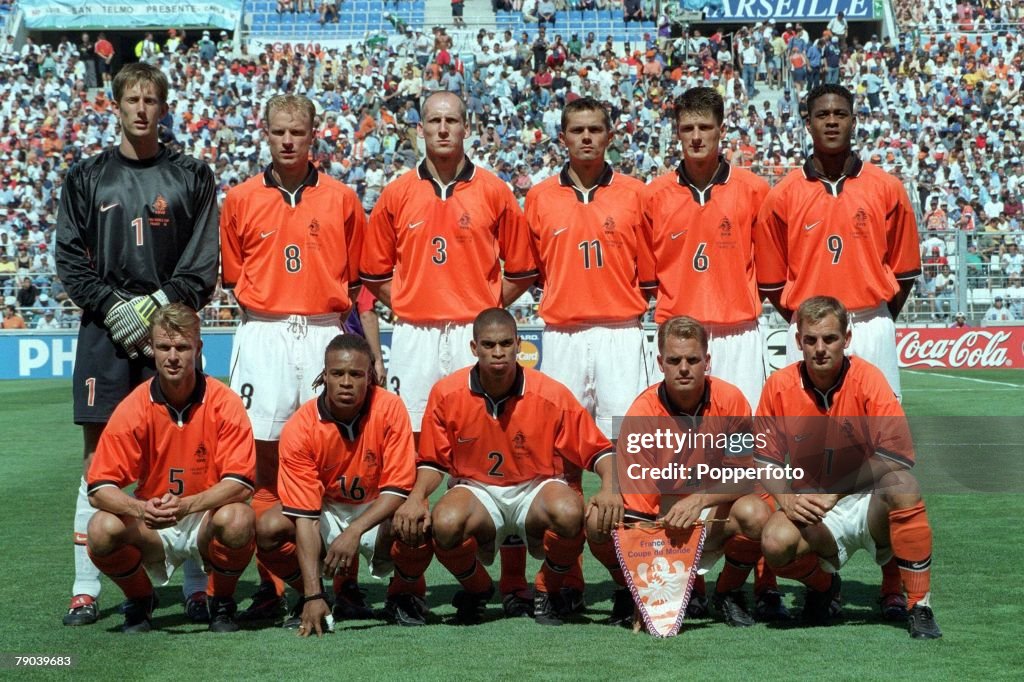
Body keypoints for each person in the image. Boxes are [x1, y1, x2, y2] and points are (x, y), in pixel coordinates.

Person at [56, 62, 219, 627]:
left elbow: (203, 264)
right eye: (133, 99)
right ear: (116, 105)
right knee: (97, 458)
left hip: (170, 331)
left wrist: (153, 308)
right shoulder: (85, 177)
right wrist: (112, 306)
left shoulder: (192, 175)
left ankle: (196, 583)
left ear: (163, 106)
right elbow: (69, 260)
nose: (142, 109)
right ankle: (84, 588)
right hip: (105, 333)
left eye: (152, 99)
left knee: (185, 453)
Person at [220, 93, 366, 622]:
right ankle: (274, 582)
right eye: (279, 131)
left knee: (331, 455)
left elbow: (353, 278)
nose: (288, 140)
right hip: (263, 334)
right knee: (261, 456)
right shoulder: (239, 199)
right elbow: (235, 276)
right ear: (265, 132)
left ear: (313, 135)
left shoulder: (342, 198)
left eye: (297, 132)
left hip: (323, 331)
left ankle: (342, 581)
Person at [391, 309, 623, 626]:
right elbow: (433, 460)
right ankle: (480, 589)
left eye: (505, 344)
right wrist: (417, 496)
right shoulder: (446, 393)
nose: (498, 352)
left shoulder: (550, 393)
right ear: (474, 348)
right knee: (444, 523)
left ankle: (547, 592)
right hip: (478, 490)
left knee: (570, 511)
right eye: (488, 345)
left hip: (537, 488)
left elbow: (600, 451)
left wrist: (610, 488)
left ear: (518, 345)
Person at [755, 296, 941, 639]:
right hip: (814, 508)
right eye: (810, 340)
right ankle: (825, 586)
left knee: (904, 486)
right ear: (798, 341)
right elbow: (765, 461)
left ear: (847, 339)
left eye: (830, 338)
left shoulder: (869, 378)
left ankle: (919, 605)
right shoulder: (778, 386)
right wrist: (787, 500)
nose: (820, 348)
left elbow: (898, 453)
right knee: (774, 541)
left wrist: (835, 490)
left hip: (867, 501)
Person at [361, 91, 537, 433]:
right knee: (408, 434)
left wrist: (487, 305)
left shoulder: (493, 190)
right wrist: (408, 301)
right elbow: (373, 272)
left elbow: (522, 270)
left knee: (477, 433)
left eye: (452, 121)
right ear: (421, 128)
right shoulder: (397, 193)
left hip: (471, 332)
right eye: (434, 121)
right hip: (414, 333)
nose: (443, 129)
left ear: (466, 128)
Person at [590, 316, 774, 628]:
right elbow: (638, 515)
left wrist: (699, 500)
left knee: (756, 513)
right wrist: (643, 591)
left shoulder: (732, 400)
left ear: (707, 361)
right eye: (674, 360)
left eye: (693, 359)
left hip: (709, 512)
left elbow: (745, 475)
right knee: (598, 520)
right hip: (662, 519)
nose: (684, 368)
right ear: (660, 362)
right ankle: (626, 589)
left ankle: (728, 592)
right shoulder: (640, 415)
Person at [84, 304, 256, 633]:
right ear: (152, 348)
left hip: (205, 516)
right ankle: (141, 599)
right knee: (100, 529)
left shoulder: (224, 402)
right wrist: (139, 508)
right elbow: (98, 487)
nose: (172, 356)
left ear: (198, 348)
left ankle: (220, 602)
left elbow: (242, 484)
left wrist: (189, 504)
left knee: (239, 518)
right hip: (154, 519)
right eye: (164, 347)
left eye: (182, 347)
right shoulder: (135, 405)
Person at [255, 334, 433, 633]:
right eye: (337, 374)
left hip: (380, 506)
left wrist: (354, 531)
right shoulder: (301, 426)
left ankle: (402, 594)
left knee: (417, 520)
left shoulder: (390, 408)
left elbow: (398, 487)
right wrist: (313, 593)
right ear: (325, 376)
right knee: (268, 528)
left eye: (356, 374)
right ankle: (313, 596)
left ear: (371, 377)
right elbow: (306, 517)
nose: (346, 382)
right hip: (328, 509)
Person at [755, 83, 921, 402]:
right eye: (823, 114)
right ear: (808, 123)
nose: (832, 121)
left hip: (871, 323)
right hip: (809, 330)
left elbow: (905, 272)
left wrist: (877, 315)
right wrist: (806, 320)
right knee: (806, 433)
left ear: (853, 121)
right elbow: (772, 282)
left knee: (878, 435)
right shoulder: (783, 195)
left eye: (840, 114)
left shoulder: (887, 188)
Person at [524, 96, 653, 439]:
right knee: (561, 436)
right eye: (577, 130)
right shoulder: (539, 197)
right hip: (563, 333)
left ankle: (627, 496)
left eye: (595, 129)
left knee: (628, 436)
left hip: (622, 332)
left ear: (609, 137)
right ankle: (569, 495)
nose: (586, 137)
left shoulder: (636, 194)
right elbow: (536, 267)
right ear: (562, 138)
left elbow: (650, 268)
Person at [642, 87, 769, 412]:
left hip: (738, 332)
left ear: (721, 130)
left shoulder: (754, 190)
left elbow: (769, 269)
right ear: (677, 132)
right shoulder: (654, 196)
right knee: (675, 443)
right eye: (687, 128)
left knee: (743, 439)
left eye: (705, 127)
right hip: (678, 337)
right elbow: (646, 275)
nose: (696, 137)